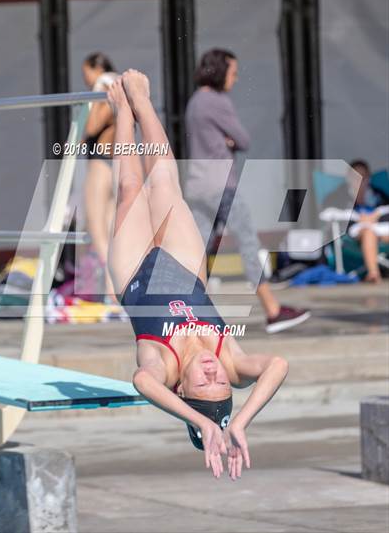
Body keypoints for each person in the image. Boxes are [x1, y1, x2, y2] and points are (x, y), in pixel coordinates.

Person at [106, 69, 290, 480]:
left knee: (131, 189)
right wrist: (238, 421)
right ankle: (142, 98)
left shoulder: (162, 368)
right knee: (165, 183)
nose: (214, 372)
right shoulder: (231, 357)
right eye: (224, 382)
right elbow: (277, 363)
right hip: (185, 271)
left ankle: (121, 108)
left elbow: (141, 382)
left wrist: (205, 422)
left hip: (134, 273)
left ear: (183, 391)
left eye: (207, 384)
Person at [185, 48, 310, 333]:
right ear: (219, 71)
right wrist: (229, 141)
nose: (236, 78)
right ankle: (272, 310)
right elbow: (243, 139)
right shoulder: (217, 101)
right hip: (221, 185)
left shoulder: (195, 102)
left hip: (197, 185)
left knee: (196, 250)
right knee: (248, 243)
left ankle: (189, 312)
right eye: (233, 72)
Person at [81, 52, 118, 299]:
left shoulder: (105, 86)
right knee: (111, 231)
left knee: (98, 232)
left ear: (96, 68)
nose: (85, 78)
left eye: (86, 72)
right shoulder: (120, 87)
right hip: (116, 163)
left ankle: (112, 291)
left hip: (101, 163)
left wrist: (96, 94)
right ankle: (113, 291)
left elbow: (93, 126)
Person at [345, 160, 389, 283]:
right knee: (369, 232)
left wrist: (377, 213)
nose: (359, 181)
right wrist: (359, 217)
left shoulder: (377, 194)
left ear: (369, 178)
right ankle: (374, 273)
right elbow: (329, 212)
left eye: (363, 177)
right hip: (357, 230)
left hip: (380, 228)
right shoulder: (340, 194)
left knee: (374, 230)